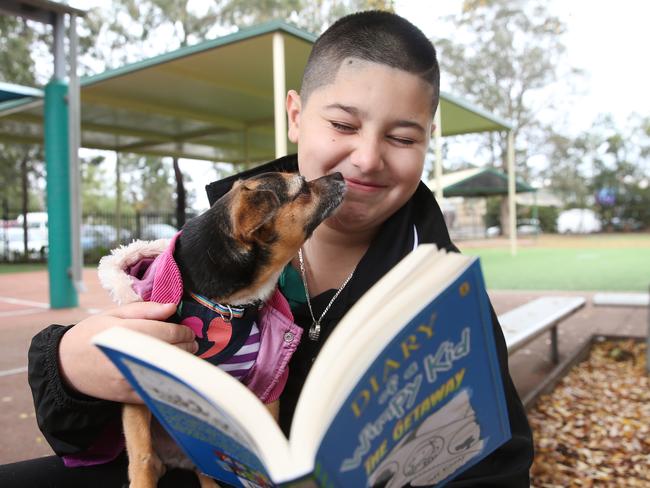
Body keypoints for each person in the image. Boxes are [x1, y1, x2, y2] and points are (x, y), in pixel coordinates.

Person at [1, 10, 533, 487]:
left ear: (427, 139)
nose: (368, 158)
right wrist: (70, 365)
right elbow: (84, 436)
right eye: (344, 124)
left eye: (402, 138)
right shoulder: (195, 257)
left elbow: (497, 466)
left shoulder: (445, 296)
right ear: (297, 115)